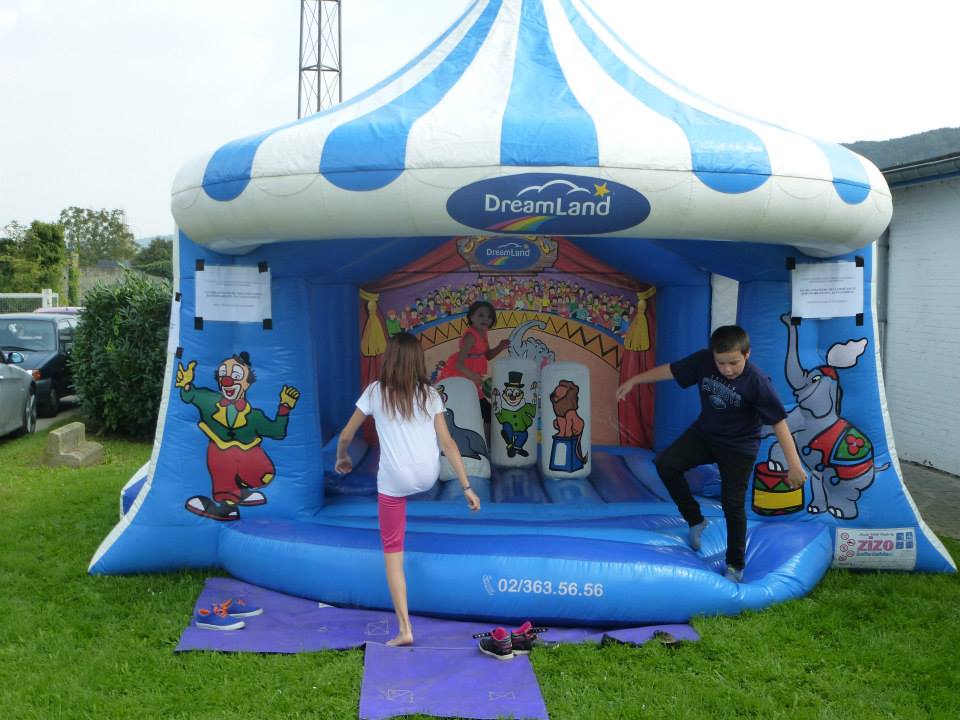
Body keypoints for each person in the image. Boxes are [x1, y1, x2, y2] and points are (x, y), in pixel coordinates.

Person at [616, 325, 805, 583]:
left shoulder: (757, 382)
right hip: (705, 434)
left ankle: (735, 565)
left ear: (747, 354)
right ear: (712, 355)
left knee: (732, 503)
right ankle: (695, 519)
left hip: (739, 447)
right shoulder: (703, 360)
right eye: (721, 363)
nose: (727, 369)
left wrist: (794, 465)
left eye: (734, 363)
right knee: (666, 464)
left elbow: (779, 423)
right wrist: (635, 380)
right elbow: (671, 370)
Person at [336, 332, 481, 646]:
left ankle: (405, 629)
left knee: (392, 550)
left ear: (389, 359)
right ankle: (404, 629)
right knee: (424, 459)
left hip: (395, 482)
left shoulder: (375, 392)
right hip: (428, 476)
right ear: (418, 361)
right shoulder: (430, 394)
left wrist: (342, 457)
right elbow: (448, 443)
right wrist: (467, 486)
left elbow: (346, 435)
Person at [435, 300, 510, 424]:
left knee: (485, 412)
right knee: (478, 410)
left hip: (471, 378)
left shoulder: (483, 332)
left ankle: (484, 434)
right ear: (471, 317)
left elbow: (487, 355)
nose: (485, 319)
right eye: (481, 315)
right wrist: (473, 376)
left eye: (489, 317)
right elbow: (459, 363)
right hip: (461, 376)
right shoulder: (470, 336)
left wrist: (500, 346)